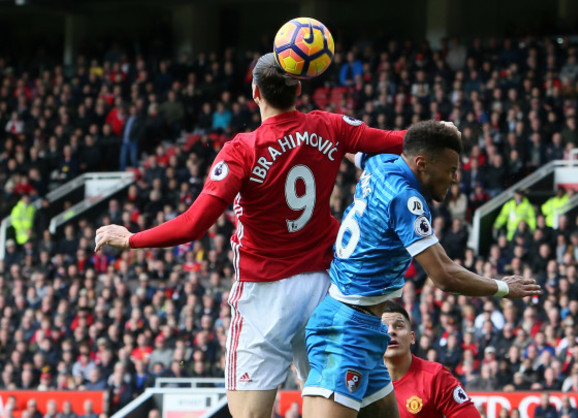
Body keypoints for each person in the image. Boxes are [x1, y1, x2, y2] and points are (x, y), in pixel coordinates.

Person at [95, 52, 405, 418]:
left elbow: (195, 224)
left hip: (265, 295)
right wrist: (444, 132)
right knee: (367, 409)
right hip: (326, 289)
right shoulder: (330, 126)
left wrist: (132, 238)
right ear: (299, 88)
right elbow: (396, 140)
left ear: (255, 92)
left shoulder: (242, 149)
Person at [301, 120, 541, 418]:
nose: (454, 178)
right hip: (344, 330)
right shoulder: (406, 198)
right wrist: (503, 288)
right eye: (450, 169)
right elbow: (444, 274)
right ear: (422, 163)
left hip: (366, 328)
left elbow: (350, 148)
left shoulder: (381, 162)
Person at [381, 301, 480, 417]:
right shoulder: (363, 380)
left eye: (399, 326)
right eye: (383, 327)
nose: (391, 331)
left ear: (412, 337)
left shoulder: (435, 376)